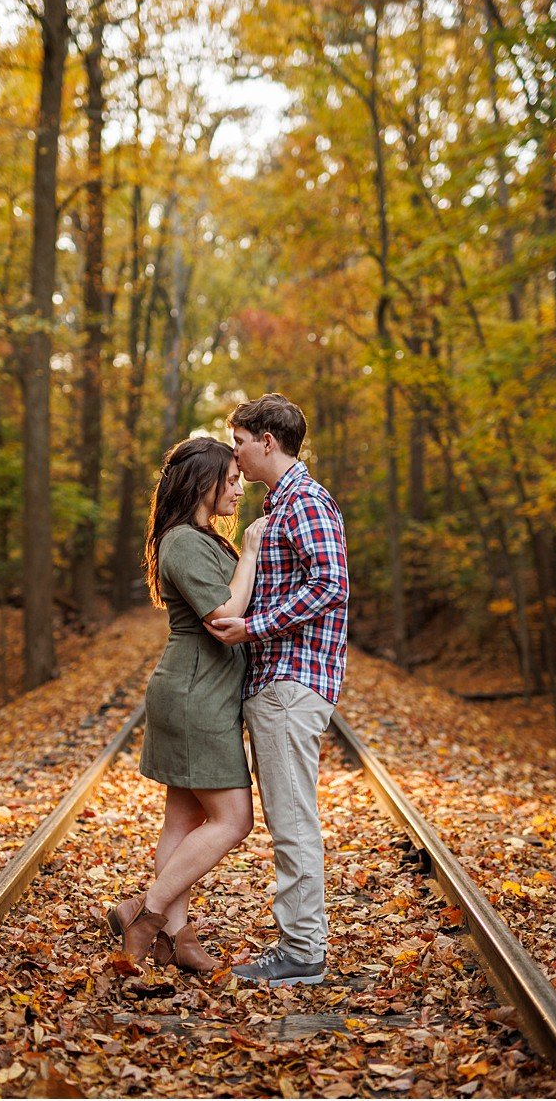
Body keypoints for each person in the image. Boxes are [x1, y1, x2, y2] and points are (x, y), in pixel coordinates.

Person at [207, 392, 349, 987]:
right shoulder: (281, 504)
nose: (235, 454)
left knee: (292, 820)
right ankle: (298, 941)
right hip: (279, 681)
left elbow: (331, 585)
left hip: (292, 682)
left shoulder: (305, 502)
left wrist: (253, 627)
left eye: (240, 441)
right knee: (288, 817)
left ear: (269, 442)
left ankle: (303, 951)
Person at [112, 436, 264, 972]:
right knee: (234, 820)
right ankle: (147, 913)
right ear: (204, 482)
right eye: (232, 478)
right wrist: (248, 552)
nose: (240, 487)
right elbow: (225, 619)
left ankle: (175, 937)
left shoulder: (200, 538)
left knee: (183, 818)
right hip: (196, 694)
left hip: (199, 690)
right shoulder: (182, 542)